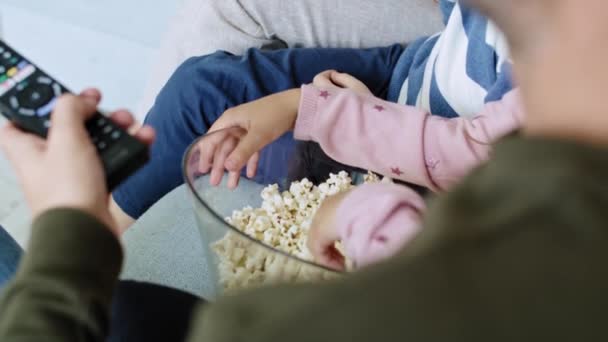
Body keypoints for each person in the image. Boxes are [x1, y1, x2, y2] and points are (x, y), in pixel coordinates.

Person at [3, 0, 608, 340]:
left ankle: (100, 222)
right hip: (415, 76)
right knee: (206, 84)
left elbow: (456, 167)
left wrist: (71, 228)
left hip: (400, 135)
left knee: (213, 108)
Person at [109, 0, 513, 232]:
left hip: (415, 146)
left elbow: (477, 160)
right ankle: (105, 223)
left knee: (204, 102)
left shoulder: (561, 58)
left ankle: (94, 243)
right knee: (201, 88)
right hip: (419, 64)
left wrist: (310, 108)